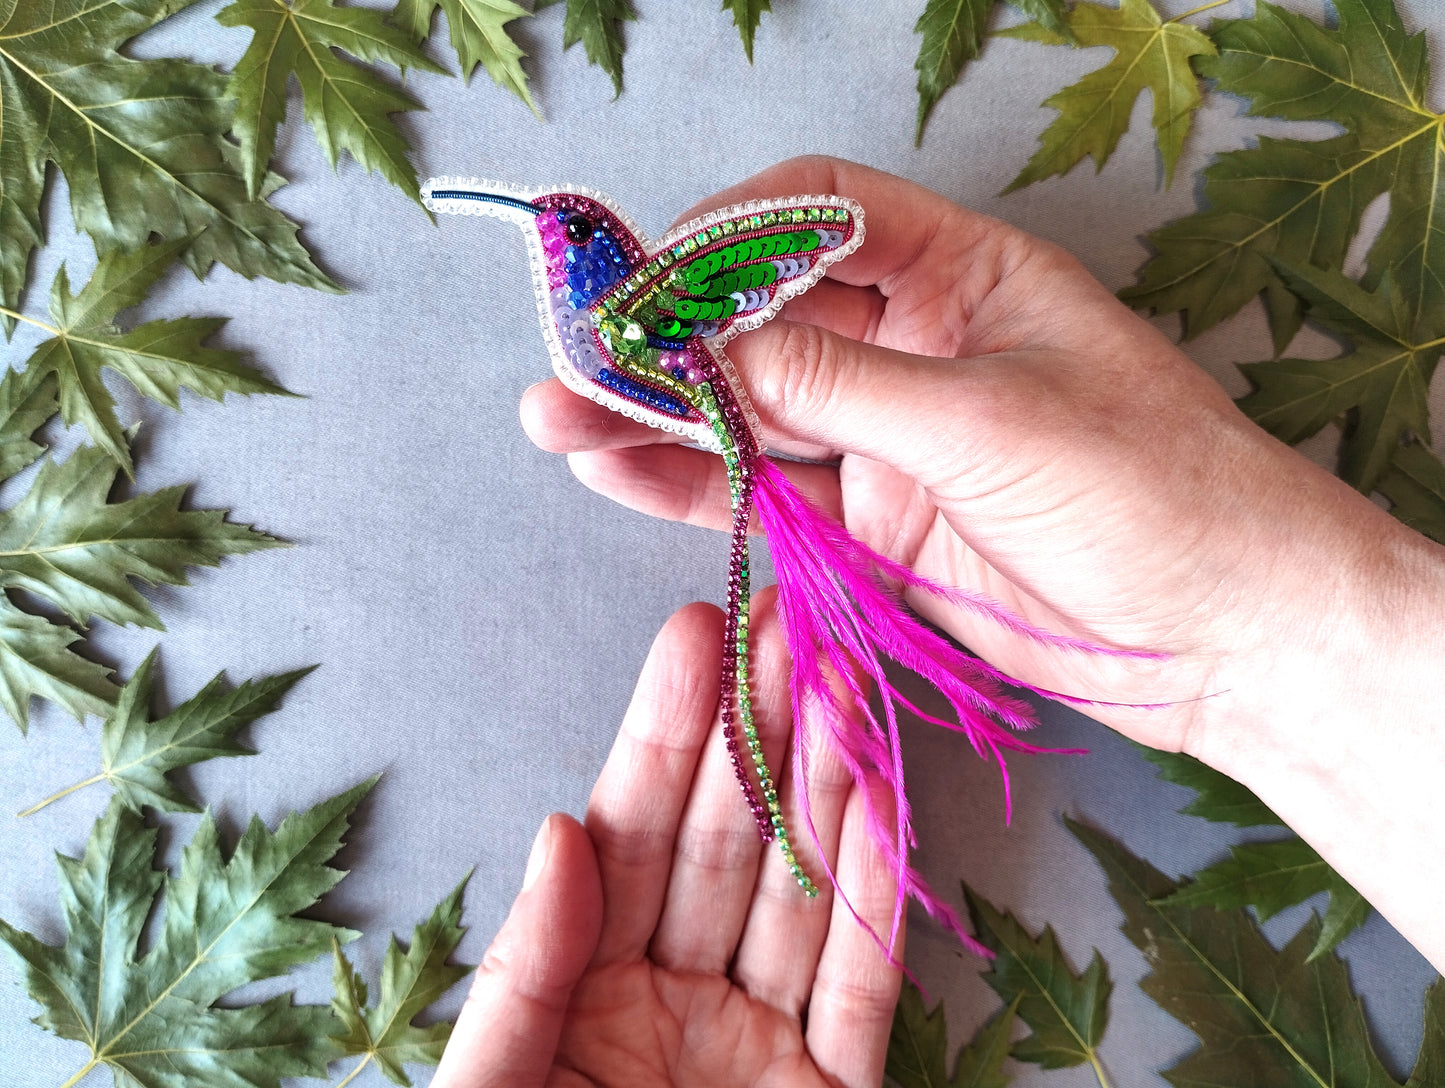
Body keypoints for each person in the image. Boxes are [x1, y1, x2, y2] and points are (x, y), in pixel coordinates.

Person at [432, 158, 1445, 1087]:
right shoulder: (601, 319)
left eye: (556, 231)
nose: (548, 239)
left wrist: (1265, 640)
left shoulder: (619, 313)